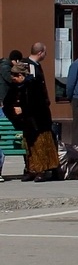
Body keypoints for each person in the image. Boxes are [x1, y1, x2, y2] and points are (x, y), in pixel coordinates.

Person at [4, 61, 60, 181]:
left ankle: (42, 171)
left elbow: (38, 105)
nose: (13, 79)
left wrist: (23, 109)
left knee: (41, 147)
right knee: (29, 149)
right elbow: (7, 102)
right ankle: (31, 170)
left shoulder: (33, 85)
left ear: (21, 75)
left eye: (15, 77)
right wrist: (13, 113)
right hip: (26, 123)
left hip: (39, 123)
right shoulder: (15, 87)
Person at [1, 49, 25, 181]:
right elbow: (10, 83)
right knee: (6, 135)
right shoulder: (6, 69)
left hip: (6, 107)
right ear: (15, 60)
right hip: (5, 108)